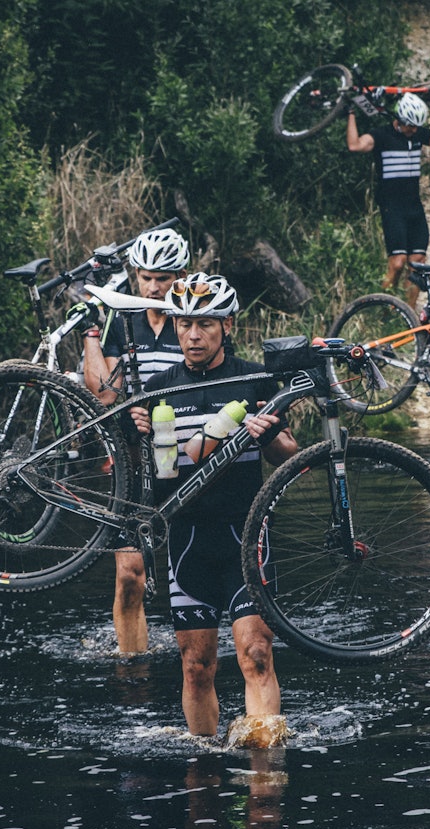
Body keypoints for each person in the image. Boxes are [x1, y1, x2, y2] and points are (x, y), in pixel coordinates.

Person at [129, 273, 300, 739]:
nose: (192, 334)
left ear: (227, 325)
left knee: (256, 653)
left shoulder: (254, 378)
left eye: (204, 323)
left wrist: (270, 435)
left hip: (245, 536)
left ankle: (265, 773)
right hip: (187, 543)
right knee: (196, 667)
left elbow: (291, 457)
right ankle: (203, 772)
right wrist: (135, 432)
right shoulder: (158, 387)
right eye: (184, 323)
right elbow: (139, 476)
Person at [80, 227, 190, 654]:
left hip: (185, 459)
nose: (154, 286)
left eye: (163, 277)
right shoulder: (123, 320)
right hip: (134, 461)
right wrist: (91, 333)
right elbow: (103, 392)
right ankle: (132, 671)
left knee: (188, 573)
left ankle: (194, 660)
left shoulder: (195, 321)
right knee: (130, 576)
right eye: (146, 277)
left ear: (180, 276)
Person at [347, 91, 430, 301]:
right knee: (397, 263)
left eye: (416, 127)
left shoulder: (417, 134)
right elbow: (355, 145)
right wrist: (351, 112)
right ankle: (383, 308)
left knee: (417, 262)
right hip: (392, 208)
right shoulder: (381, 135)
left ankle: (408, 314)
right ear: (399, 120)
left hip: (414, 207)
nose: (413, 130)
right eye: (410, 126)